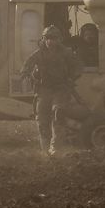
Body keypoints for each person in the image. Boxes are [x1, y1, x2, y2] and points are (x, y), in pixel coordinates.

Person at [20, 27, 81, 156]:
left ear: (59, 40)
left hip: (60, 89)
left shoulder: (66, 53)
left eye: (53, 39)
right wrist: (25, 73)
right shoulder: (39, 53)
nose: (50, 42)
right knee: (42, 119)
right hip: (44, 90)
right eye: (48, 38)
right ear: (44, 39)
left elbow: (78, 67)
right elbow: (28, 64)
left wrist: (71, 79)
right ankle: (45, 149)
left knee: (58, 115)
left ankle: (56, 149)